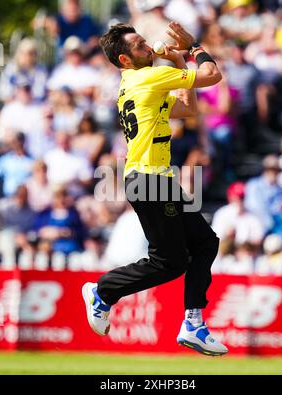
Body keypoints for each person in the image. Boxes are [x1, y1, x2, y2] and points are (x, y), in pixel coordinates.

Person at [82, 22, 228, 356]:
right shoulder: (147, 78)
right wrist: (193, 48)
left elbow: (189, 110)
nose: (149, 47)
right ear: (125, 59)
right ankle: (102, 291)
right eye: (139, 45)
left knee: (206, 242)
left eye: (145, 41)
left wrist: (177, 63)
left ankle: (193, 323)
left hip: (160, 179)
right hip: (148, 181)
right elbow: (211, 75)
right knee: (170, 262)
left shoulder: (140, 82)